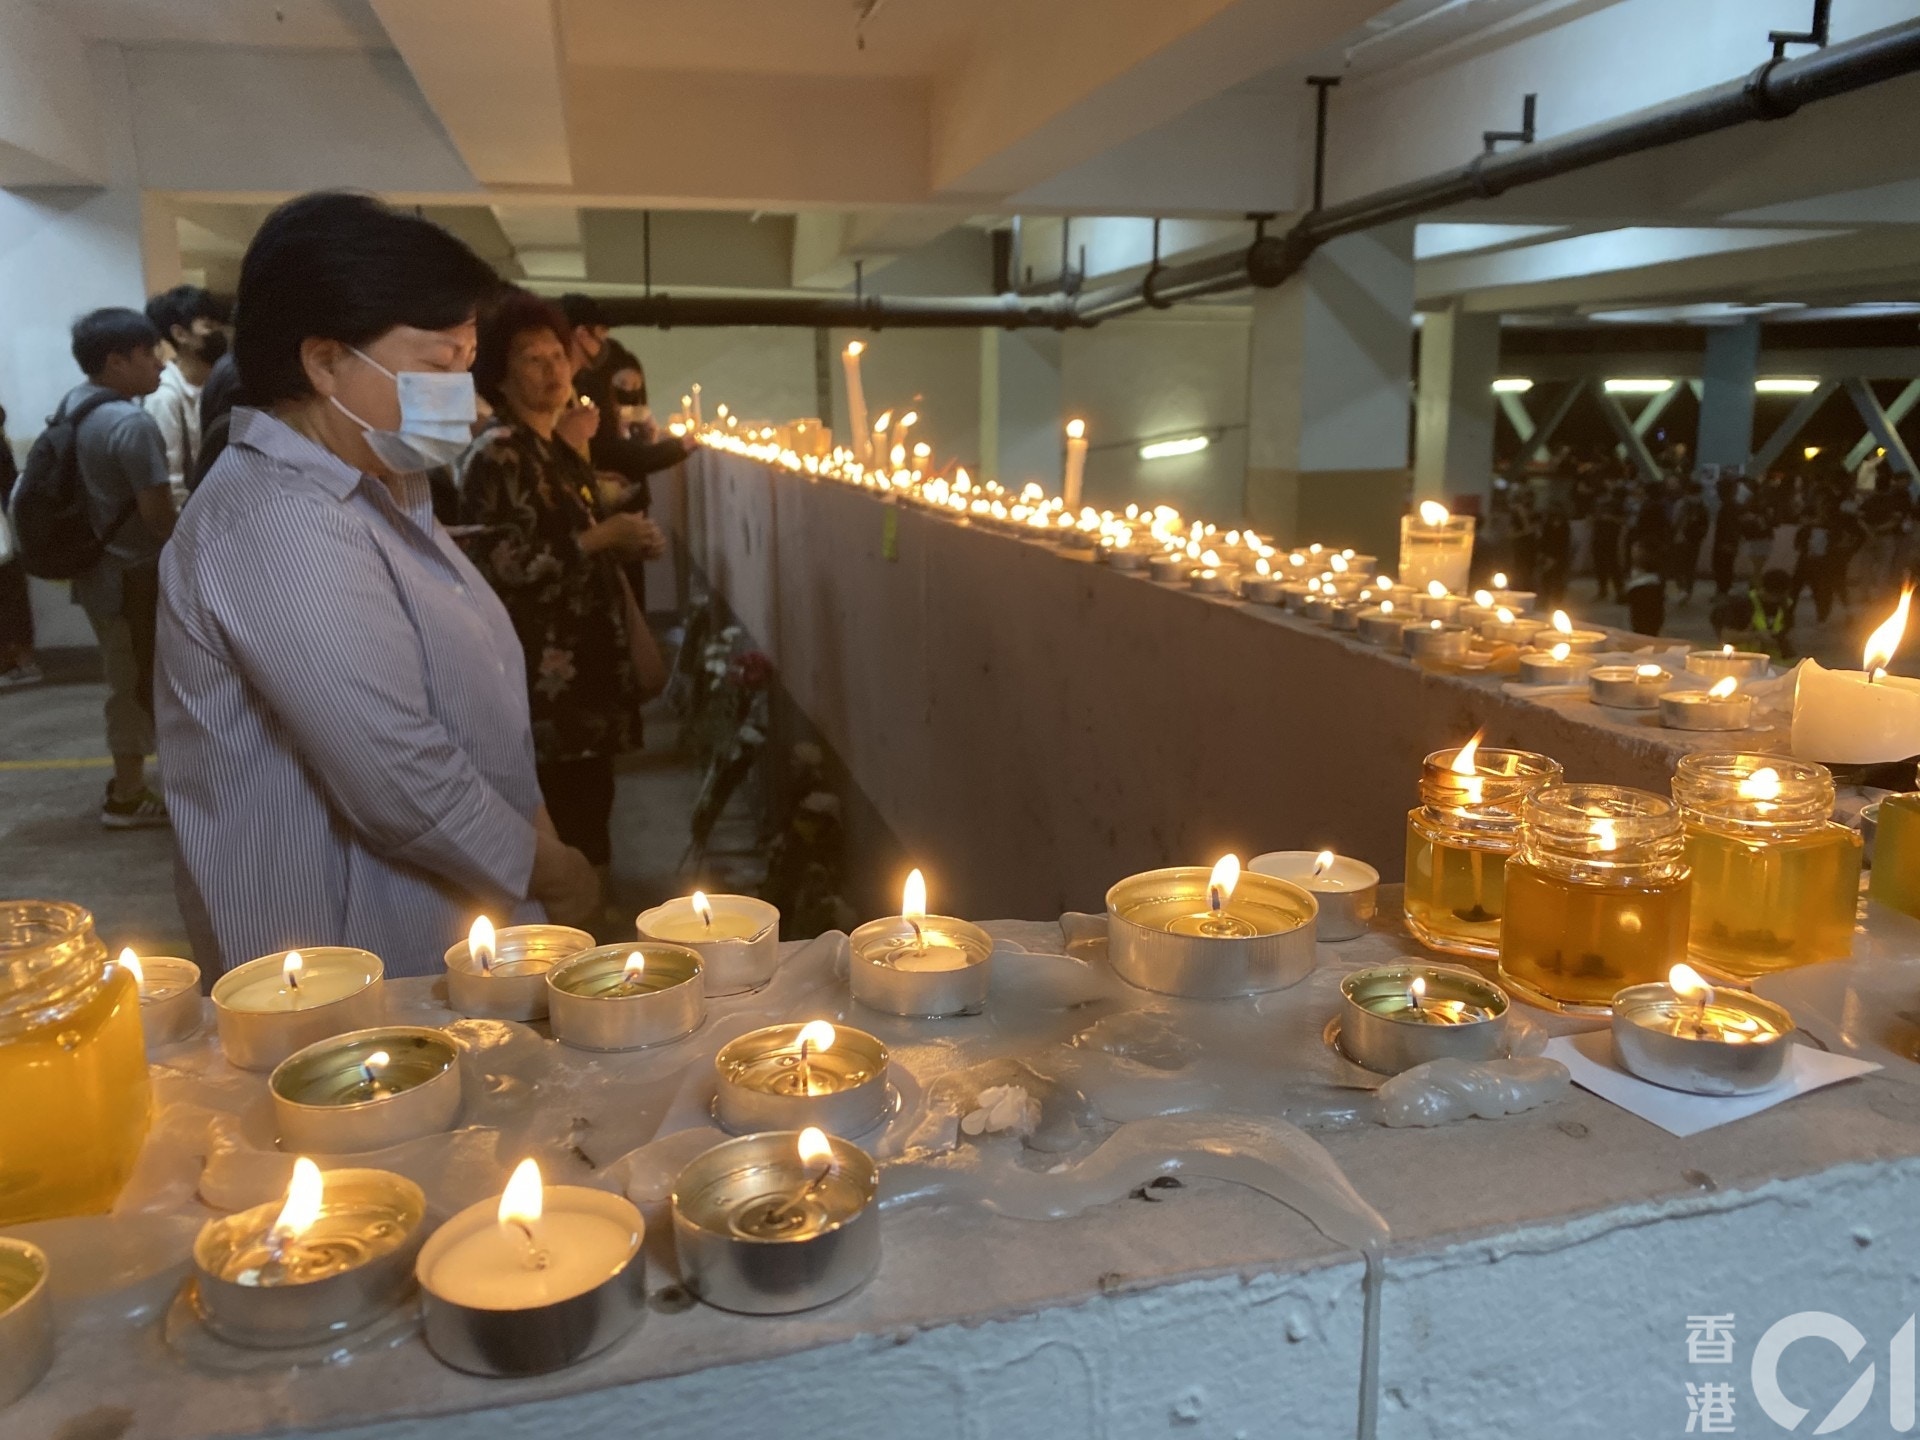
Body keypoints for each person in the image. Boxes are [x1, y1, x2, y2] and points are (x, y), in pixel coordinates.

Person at [156, 192, 600, 977]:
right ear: (325, 361)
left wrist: (535, 835)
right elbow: (400, 775)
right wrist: (552, 870)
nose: (464, 397)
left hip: (443, 924)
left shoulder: (380, 487)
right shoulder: (280, 522)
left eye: (467, 363)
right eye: (437, 366)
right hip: (348, 958)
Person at [459, 290, 667, 877]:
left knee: (593, 810)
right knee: (564, 824)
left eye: (558, 356)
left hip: (589, 673)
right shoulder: (498, 456)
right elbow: (499, 563)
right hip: (545, 684)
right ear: (500, 375)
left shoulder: (559, 450)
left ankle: (593, 912)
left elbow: (580, 533)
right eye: (533, 359)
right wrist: (599, 540)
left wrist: (627, 539)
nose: (553, 370)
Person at [63, 308, 175, 826]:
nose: (159, 363)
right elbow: (158, 516)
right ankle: (127, 795)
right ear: (116, 361)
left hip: (96, 573)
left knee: (125, 676)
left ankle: (131, 785)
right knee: (132, 685)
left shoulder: (74, 406)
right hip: (132, 579)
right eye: (148, 353)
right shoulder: (130, 423)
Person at [143, 284, 231, 502]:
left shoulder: (220, 384)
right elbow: (171, 485)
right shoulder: (165, 397)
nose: (221, 334)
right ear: (180, 334)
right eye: (209, 326)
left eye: (221, 326)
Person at [0, 401, 38, 689]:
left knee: (10, 596)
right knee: (12, 595)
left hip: (3, 535)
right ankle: (20, 659)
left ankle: (18, 660)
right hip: (6, 532)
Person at [1622, 540, 1665, 636]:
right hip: (1644, 622)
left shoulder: (1647, 584)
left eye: (1636, 551)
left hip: (1644, 623)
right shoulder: (1647, 578)